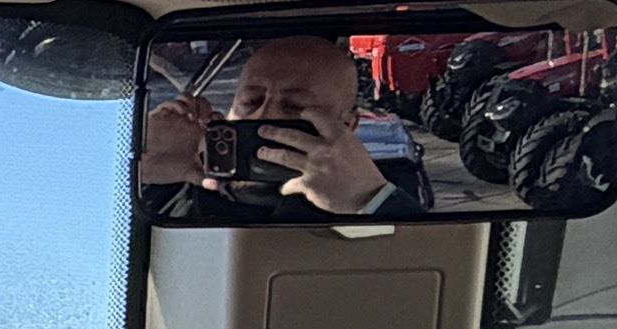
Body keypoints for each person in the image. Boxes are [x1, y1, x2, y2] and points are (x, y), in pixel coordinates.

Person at [134, 30, 418, 220]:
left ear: (347, 124)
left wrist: (368, 199)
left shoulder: (377, 189)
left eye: (295, 106)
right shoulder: (174, 182)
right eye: (251, 101)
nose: (264, 114)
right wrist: (138, 166)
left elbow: (430, 268)